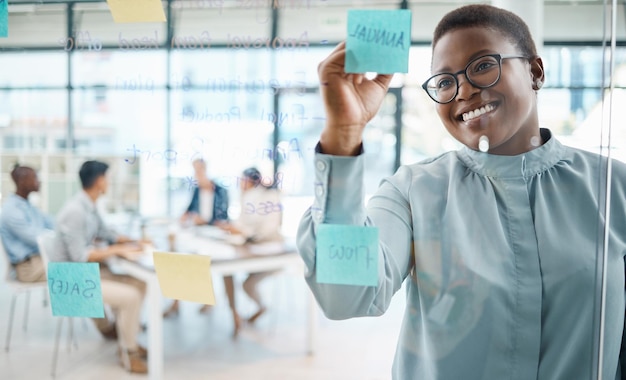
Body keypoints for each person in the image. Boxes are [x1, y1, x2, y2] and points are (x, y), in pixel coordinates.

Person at [296, 4, 626, 380]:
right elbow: (344, 296)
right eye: (445, 81)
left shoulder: (614, 187)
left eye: (484, 64)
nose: (464, 90)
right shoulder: (413, 191)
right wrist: (344, 132)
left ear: (535, 71)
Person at [52, 160, 149, 374]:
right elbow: (80, 256)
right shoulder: (75, 211)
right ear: (99, 180)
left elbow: (107, 233)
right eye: (108, 178)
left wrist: (132, 241)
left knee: (140, 283)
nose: (110, 182)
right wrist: (116, 251)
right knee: (131, 296)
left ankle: (126, 341)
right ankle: (129, 352)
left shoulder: (89, 205)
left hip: (85, 273)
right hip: (70, 280)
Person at [219, 167, 284, 337]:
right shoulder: (246, 197)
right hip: (251, 247)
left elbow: (267, 228)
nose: (240, 185)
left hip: (269, 250)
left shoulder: (270, 196)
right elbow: (242, 223)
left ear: (251, 181)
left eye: (243, 181)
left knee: (247, 284)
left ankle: (258, 309)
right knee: (227, 271)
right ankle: (234, 315)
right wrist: (234, 229)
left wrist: (243, 232)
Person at [164, 158, 230, 317]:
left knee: (204, 261)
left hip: (214, 234)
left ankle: (209, 300)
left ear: (205, 170)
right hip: (197, 233)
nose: (196, 174)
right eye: (194, 171)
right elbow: (189, 209)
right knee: (178, 258)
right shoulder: (196, 190)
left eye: (199, 170)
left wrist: (206, 220)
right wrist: (185, 217)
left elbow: (222, 217)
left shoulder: (221, 190)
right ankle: (176, 302)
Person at [0, 165, 53, 282]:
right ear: (23, 181)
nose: (38, 181)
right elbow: (37, 239)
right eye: (35, 178)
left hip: (38, 259)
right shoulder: (11, 210)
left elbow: (51, 223)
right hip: (28, 267)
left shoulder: (28, 206)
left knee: (76, 263)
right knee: (73, 269)